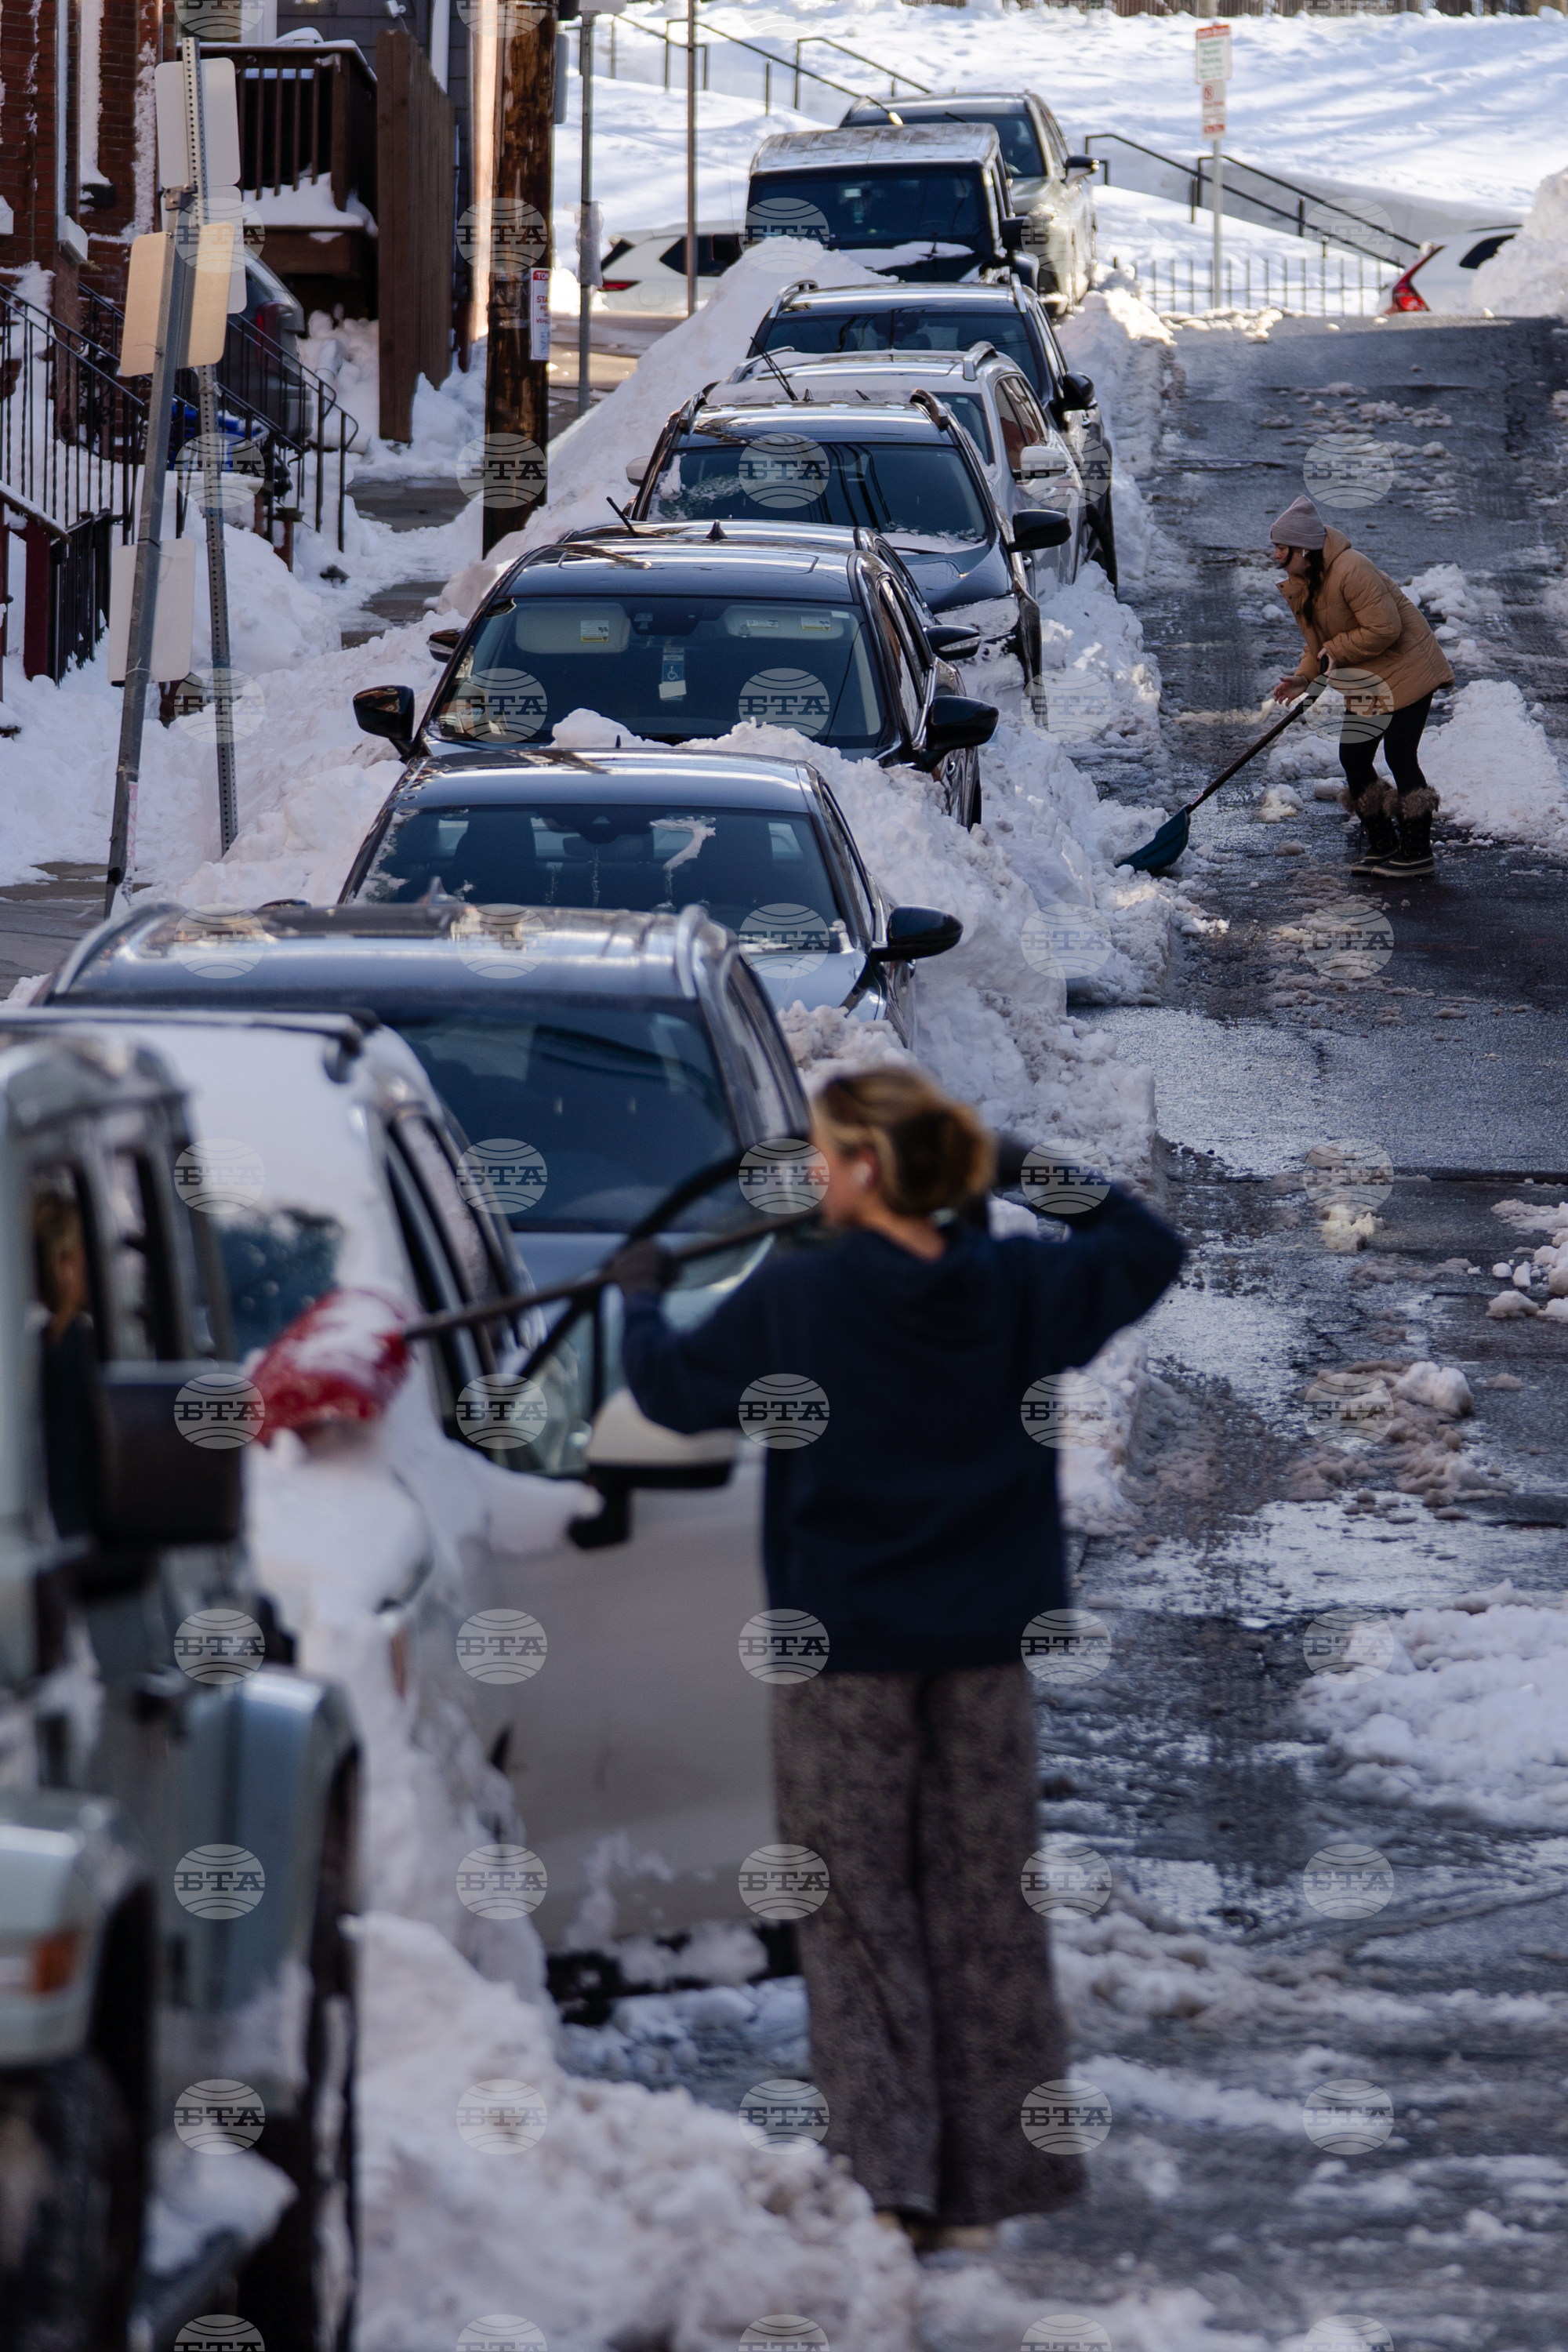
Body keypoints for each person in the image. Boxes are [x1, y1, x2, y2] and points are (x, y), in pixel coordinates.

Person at [609, 1069, 1185, 2252]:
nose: (812, 1175)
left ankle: (886, 2181)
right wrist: (1025, 1168)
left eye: (827, 1155)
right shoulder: (1020, 1286)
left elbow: (671, 1394)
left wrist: (639, 1301)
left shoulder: (801, 1298)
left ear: (869, 1170)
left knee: (858, 1908)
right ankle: (993, 2183)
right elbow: (1146, 1246)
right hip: (985, 1645)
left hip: (847, 1653)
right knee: (986, 1905)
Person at [1269, 494, 1454, 881]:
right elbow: (1316, 643)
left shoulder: (1352, 569)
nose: (1275, 556)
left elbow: (1386, 628)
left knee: (1400, 755)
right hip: (1369, 679)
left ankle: (1417, 851)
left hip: (1409, 669)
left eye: (1281, 548)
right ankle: (1384, 843)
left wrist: (1335, 650)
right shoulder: (1304, 582)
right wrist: (1304, 678)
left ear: (1303, 548)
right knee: (1354, 756)